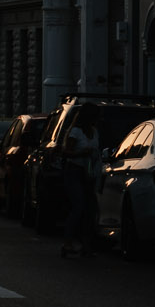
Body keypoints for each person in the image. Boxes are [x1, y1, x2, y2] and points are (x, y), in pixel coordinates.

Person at [58, 110, 99, 259]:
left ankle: (86, 245)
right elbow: (66, 152)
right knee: (78, 206)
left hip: (88, 173)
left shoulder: (94, 131)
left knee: (89, 209)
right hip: (74, 171)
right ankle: (67, 242)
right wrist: (81, 153)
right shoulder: (75, 131)